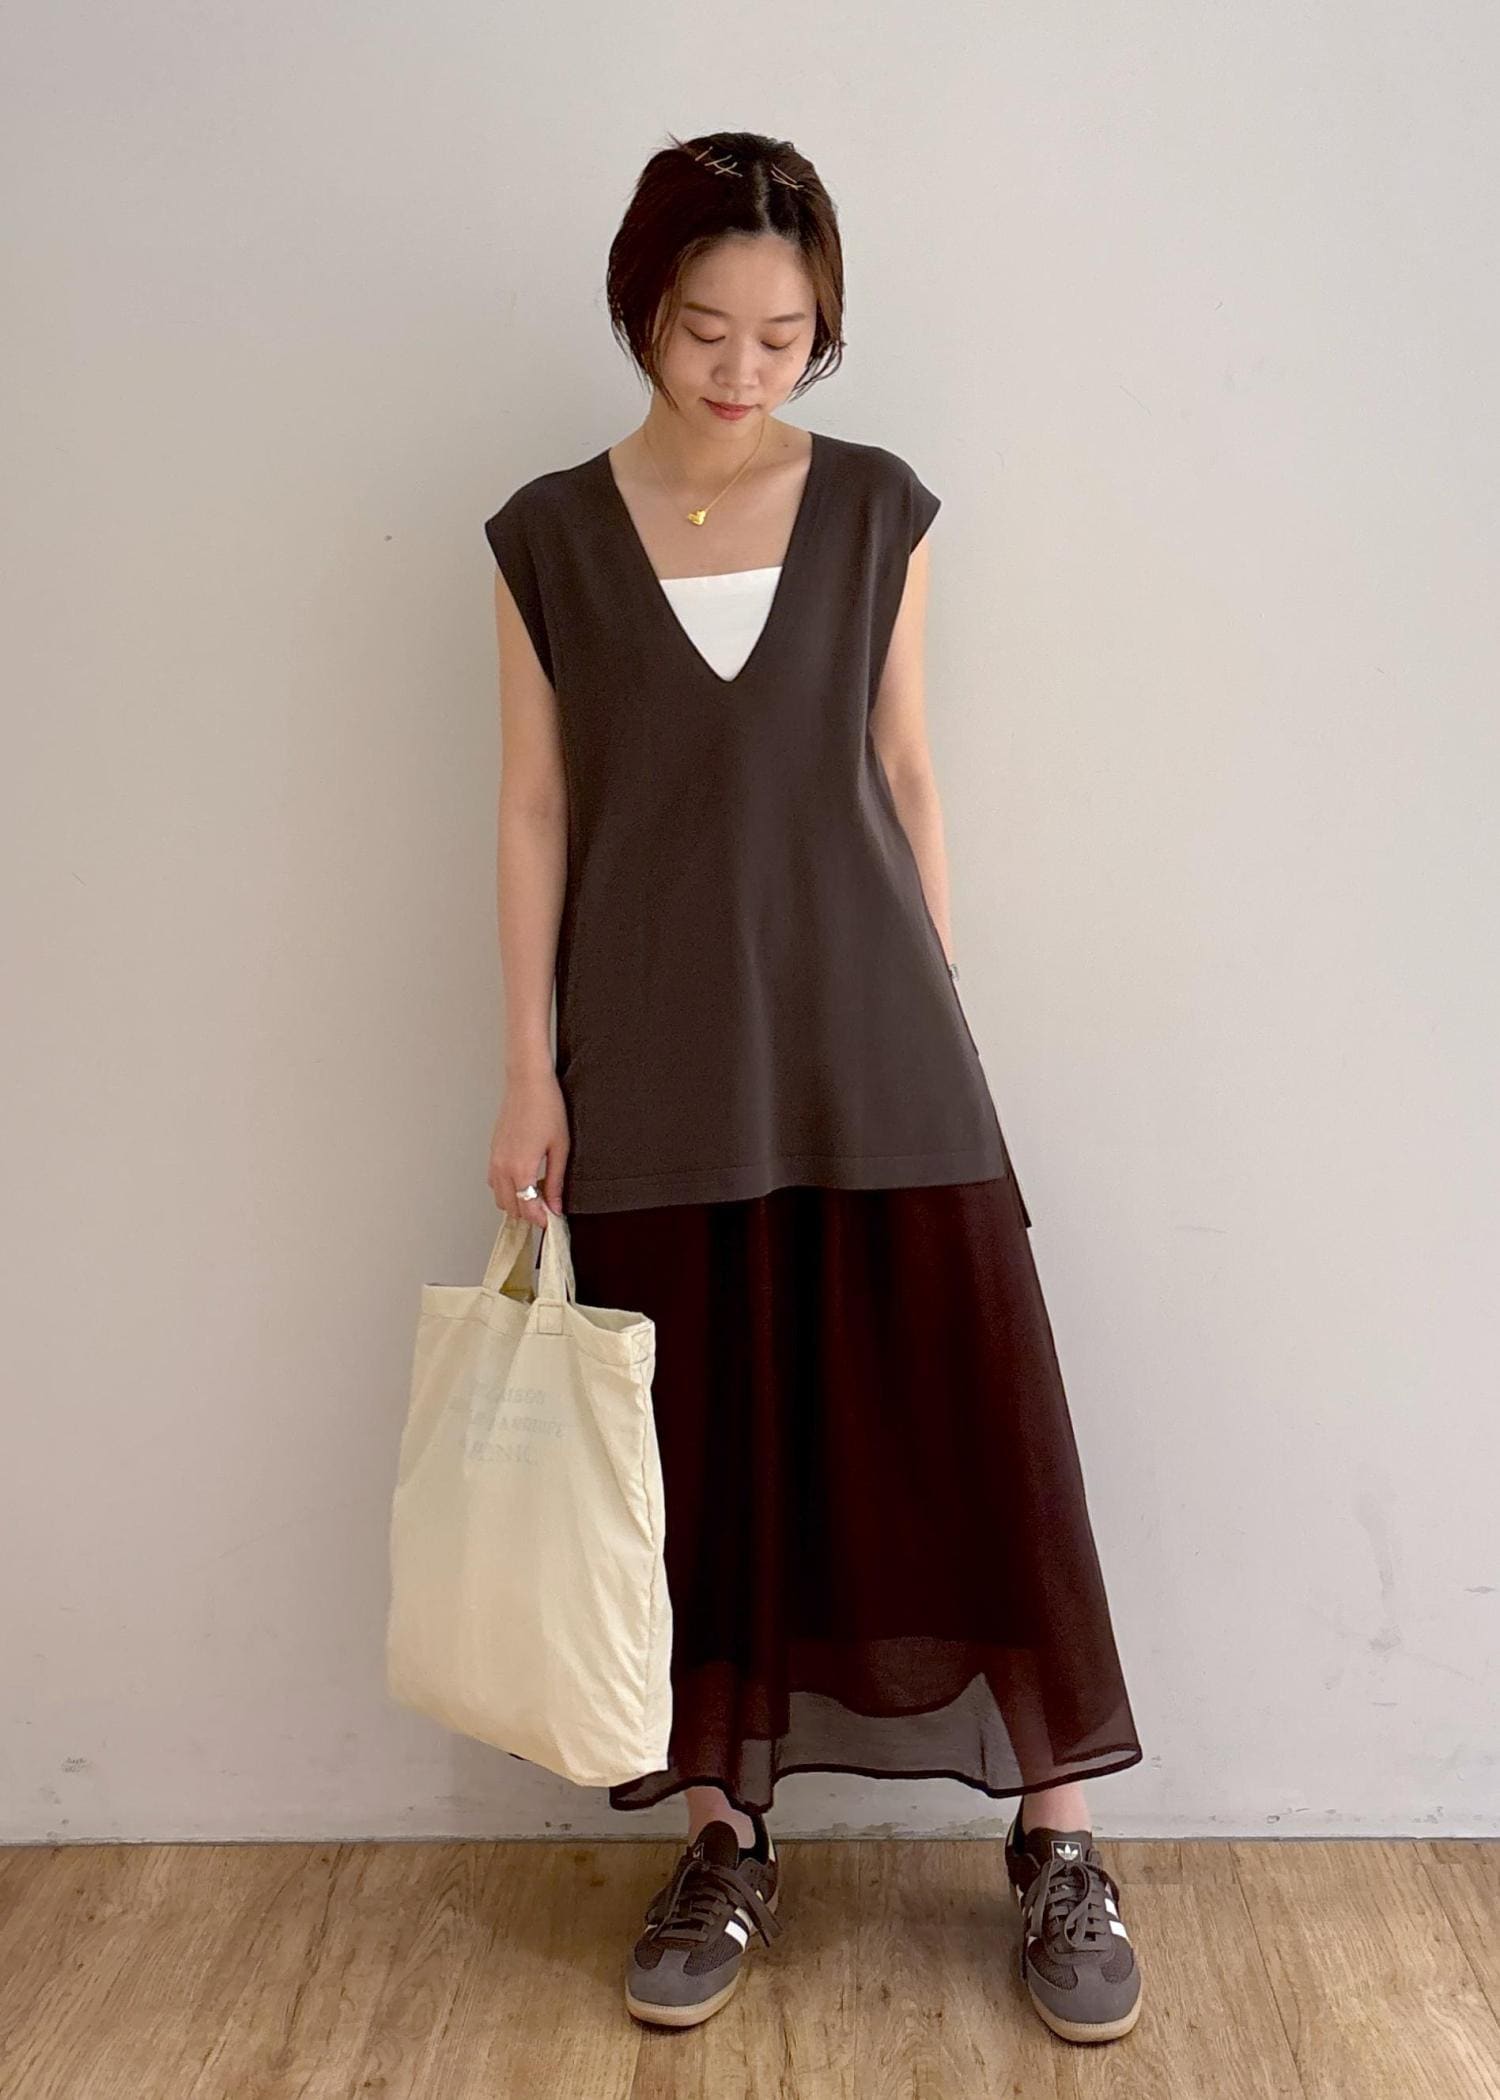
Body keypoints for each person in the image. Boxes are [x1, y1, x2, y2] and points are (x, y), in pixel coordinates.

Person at [481, 128, 1145, 2047]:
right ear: (644, 309)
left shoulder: (872, 508)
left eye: (785, 337)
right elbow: (533, 807)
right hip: (656, 1049)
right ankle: (724, 1836)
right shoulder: (546, 534)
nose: (745, 368)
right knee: (694, 1453)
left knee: (972, 1421)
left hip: (877, 1035)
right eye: (709, 329)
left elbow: (906, 769)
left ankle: (1060, 1838)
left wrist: (938, 1006)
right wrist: (525, 1068)